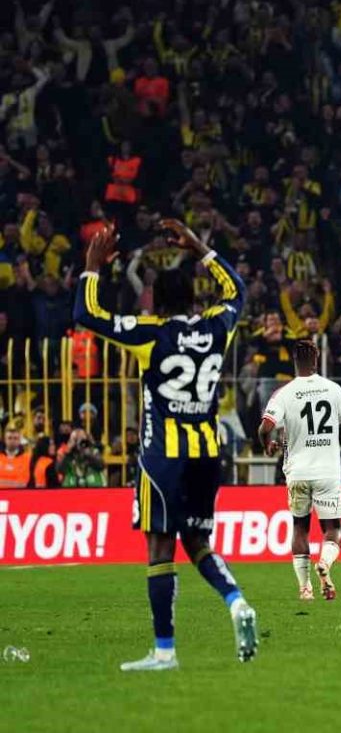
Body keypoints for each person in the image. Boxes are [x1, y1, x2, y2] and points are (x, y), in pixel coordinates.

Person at [74, 220, 258, 670]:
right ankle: (236, 601)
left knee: (160, 549)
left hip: (163, 458)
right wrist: (199, 247)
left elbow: (87, 315)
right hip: (206, 455)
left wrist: (92, 268)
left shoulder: (150, 333)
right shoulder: (217, 328)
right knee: (198, 542)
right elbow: (237, 291)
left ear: (156, 301)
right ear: (195, 299)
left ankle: (164, 651)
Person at [258, 339, 341, 601]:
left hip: (297, 472)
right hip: (328, 471)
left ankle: (305, 588)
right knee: (332, 529)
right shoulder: (333, 389)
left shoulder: (284, 393)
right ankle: (324, 562)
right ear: (316, 359)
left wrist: (268, 445)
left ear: (294, 361)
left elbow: (265, 428)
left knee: (300, 527)